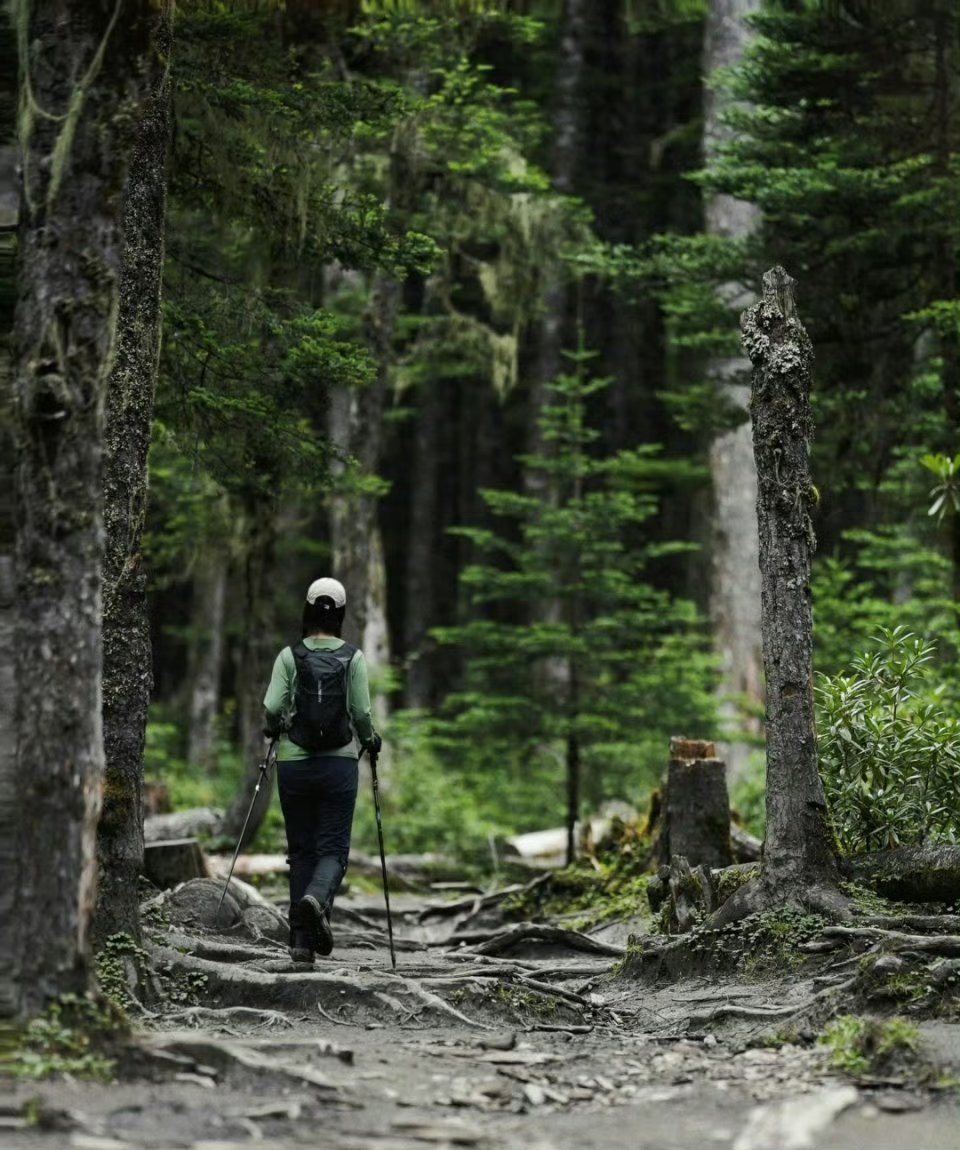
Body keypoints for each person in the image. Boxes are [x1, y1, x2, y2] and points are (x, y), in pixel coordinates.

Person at [263, 577, 381, 963]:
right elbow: (362, 712)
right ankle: (317, 899)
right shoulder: (353, 658)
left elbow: (272, 707)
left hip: (294, 765)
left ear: (308, 609)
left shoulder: (289, 656)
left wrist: (275, 727)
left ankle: (300, 945)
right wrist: (371, 738)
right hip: (339, 764)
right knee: (333, 850)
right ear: (341, 614)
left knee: (301, 851)